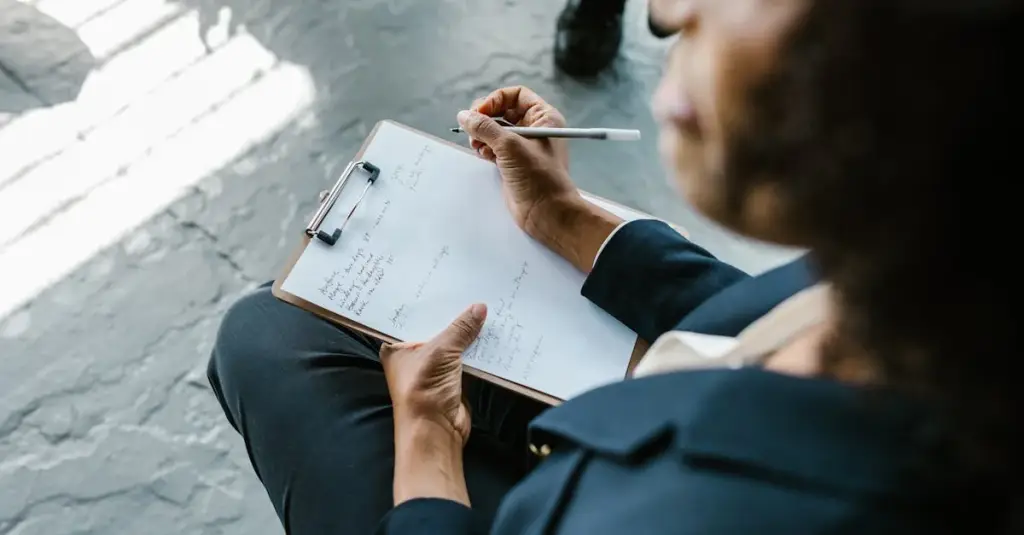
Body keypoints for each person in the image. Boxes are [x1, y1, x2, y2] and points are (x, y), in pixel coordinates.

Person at [208, 0, 1021, 533]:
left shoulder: (682, 513)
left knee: (263, 334)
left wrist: (429, 443)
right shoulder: (949, 292)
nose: (666, 11)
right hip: (654, 405)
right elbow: (761, 308)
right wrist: (564, 215)